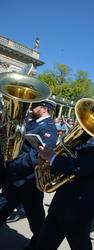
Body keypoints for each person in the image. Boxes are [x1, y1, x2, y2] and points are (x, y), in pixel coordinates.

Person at [0, 99, 58, 250]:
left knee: (36, 219)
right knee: (2, 206)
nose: (31, 106)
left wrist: (13, 162)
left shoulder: (49, 128)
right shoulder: (31, 122)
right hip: (14, 178)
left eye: (35, 105)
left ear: (45, 108)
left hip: (29, 181)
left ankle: (38, 244)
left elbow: (35, 156)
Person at [36, 137, 94, 250]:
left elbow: (82, 167)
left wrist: (53, 158)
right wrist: (46, 161)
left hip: (79, 211)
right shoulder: (79, 139)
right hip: (59, 204)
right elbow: (66, 161)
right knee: (43, 245)